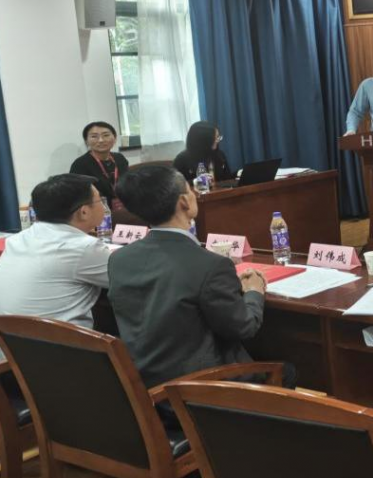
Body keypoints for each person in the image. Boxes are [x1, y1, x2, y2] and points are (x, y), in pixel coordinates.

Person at [109, 165, 268, 388]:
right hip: (199, 388)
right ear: (184, 201)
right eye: (190, 189)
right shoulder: (211, 265)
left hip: (146, 382)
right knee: (287, 371)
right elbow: (244, 326)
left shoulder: (119, 259)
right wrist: (254, 290)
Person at [0, 174, 111, 364]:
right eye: (100, 201)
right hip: (47, 369)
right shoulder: (82, 248)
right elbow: (130, 278)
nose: (104, 207)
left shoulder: (20, 238)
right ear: (83, 212)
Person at [68, 121, 130, 207]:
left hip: (125, 206)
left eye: (106, 135)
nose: (101, 140)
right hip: (97, 210)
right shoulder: (80, 164)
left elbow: (128, 184)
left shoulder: (120, 158)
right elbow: (78, 196)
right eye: (94, 136)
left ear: (115, 138)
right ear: (86, 141)